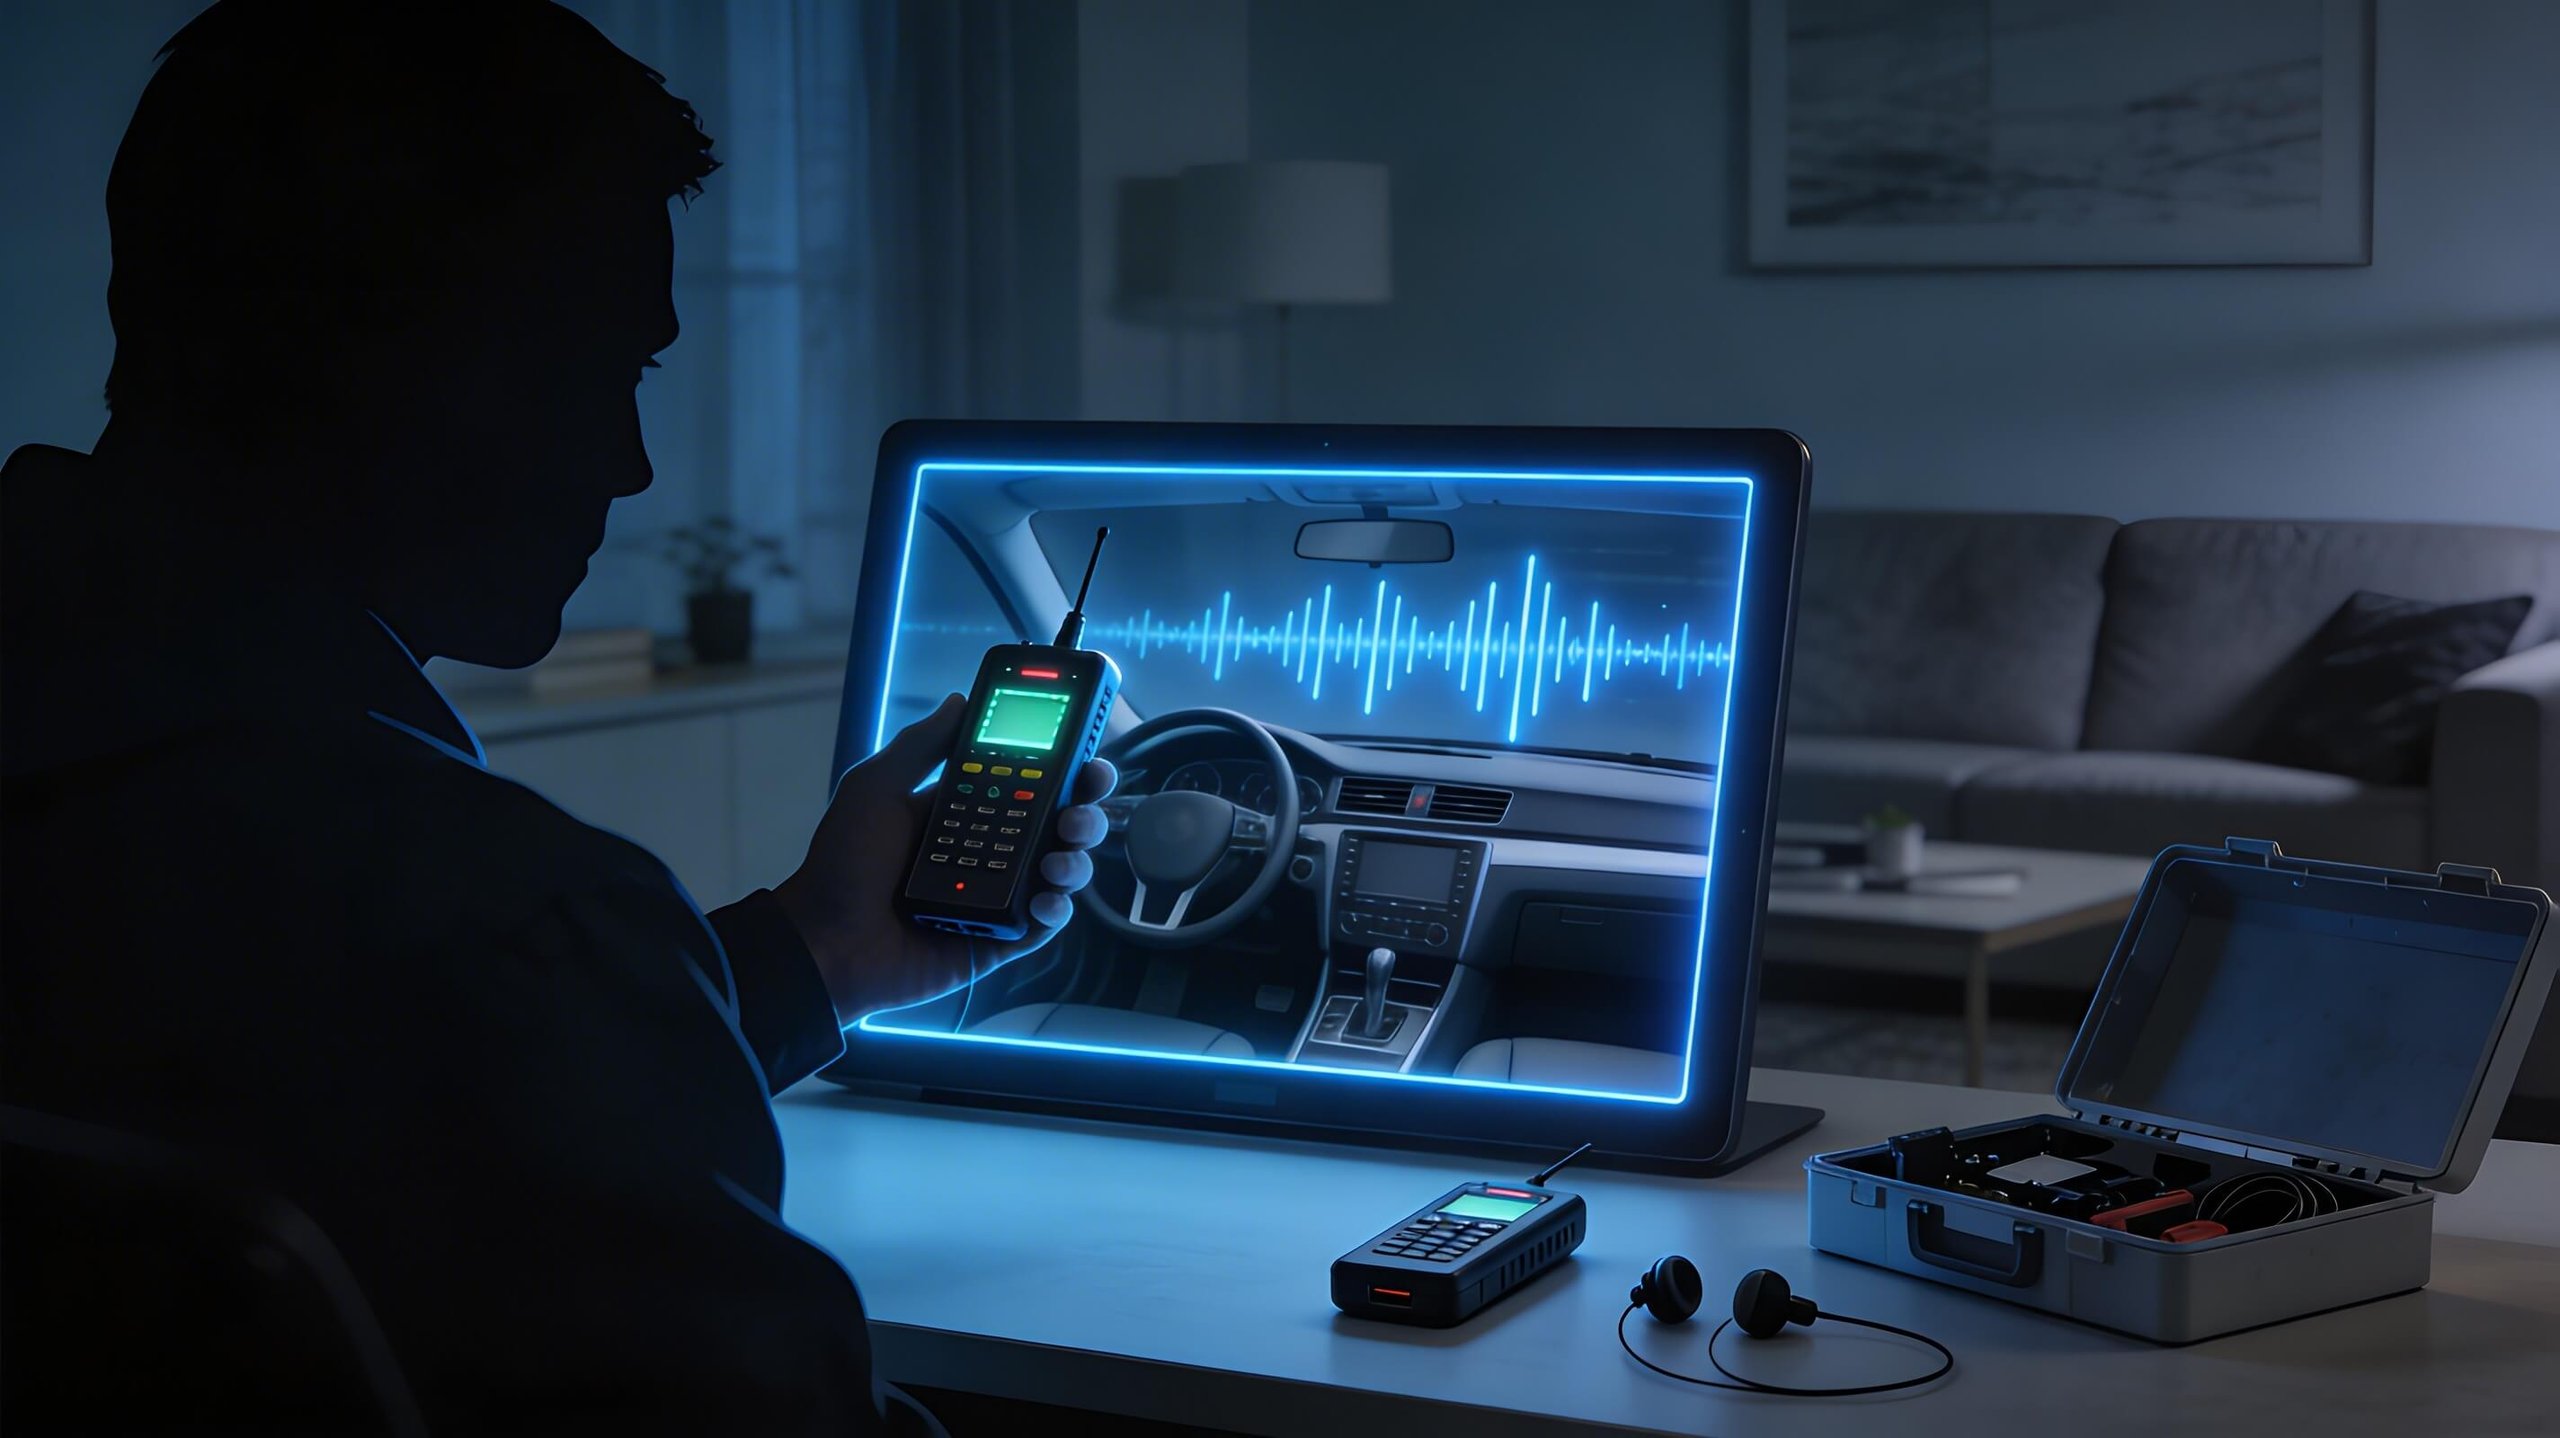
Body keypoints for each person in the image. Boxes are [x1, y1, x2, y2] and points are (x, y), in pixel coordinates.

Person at [0, 3, 1108, 1431]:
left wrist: (817, 950)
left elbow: (348, 1079)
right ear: (376, 351)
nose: (635, 464)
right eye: (602, 371)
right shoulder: (505, 928)